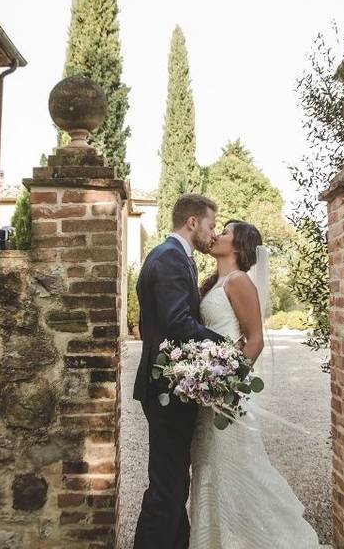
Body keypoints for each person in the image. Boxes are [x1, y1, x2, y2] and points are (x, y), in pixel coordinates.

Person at [188, 219, 322, 549]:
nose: (217, 233)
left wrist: (225, 384)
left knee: (240, 471)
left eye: (226, 231)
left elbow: (255, 341)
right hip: (208, 396)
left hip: (225, 395)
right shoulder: (213, 282)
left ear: (238, 245)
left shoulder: (238, 282)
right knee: (210, 470)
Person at [133, 194, 224, 549]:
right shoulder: (170, 258)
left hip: (173, 385)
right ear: (192, 223)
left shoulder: (177, 257)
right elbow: (178, 323)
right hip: (166, 387)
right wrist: (225, 347)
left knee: (173, 483)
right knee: (167, 488)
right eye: (211, 225)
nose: (213, 234)